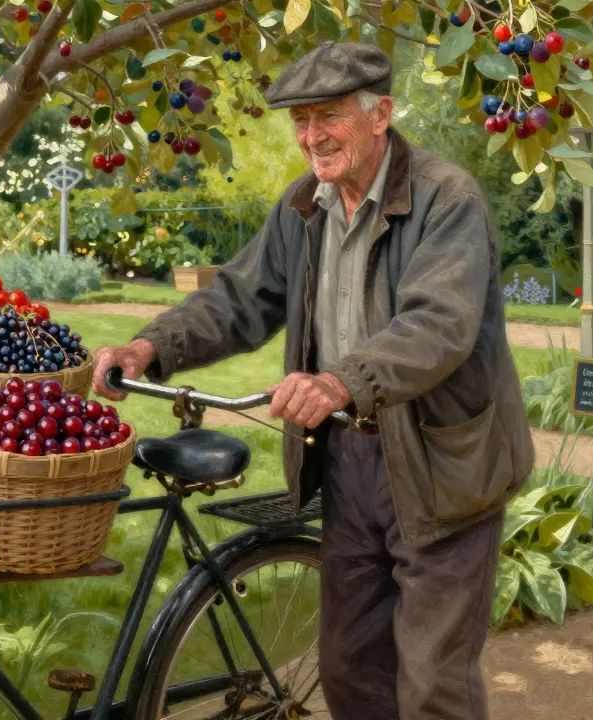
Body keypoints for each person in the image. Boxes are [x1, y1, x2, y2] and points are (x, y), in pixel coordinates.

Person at [92, 41, 534, 720]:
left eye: (327, 116)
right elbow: (240, 297)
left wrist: (337, 381)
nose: (310, 136)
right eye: (300, 121)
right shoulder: (306, 204)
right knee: (350, 668)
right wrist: (154, 345)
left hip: (443, 465)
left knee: (433, 683)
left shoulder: (449, 201)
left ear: (380, 113)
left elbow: (436, 328)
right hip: (349, 461)